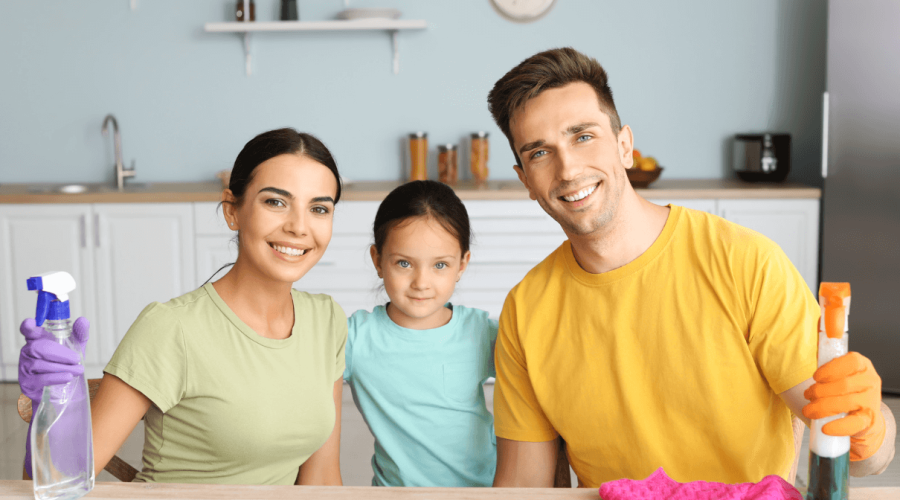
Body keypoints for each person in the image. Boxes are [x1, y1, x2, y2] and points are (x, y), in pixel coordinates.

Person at [485, 47, 896, 487]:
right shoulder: (526, 312)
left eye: (583, 136)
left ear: (624, 146)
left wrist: (870, 428)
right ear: (526, 179)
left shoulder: (746, 264)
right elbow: (522, 488)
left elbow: (859, 457)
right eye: (540, 153)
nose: (568, 169)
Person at [18, 128, 348, 485]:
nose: (299, 227)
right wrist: (51, 403)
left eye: (318, 208)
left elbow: (322, 477)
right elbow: (58, 480)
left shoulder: (326, 321)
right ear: (232, 211)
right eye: (276, 202)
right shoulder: (171, 328)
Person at [343, 180, 498, 486]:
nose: (421, 282)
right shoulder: (355, 338)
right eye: (404, 263)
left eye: (440, 265)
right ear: (377, 260)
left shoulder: (481, 332)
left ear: (462, 264)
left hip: (480, 494)